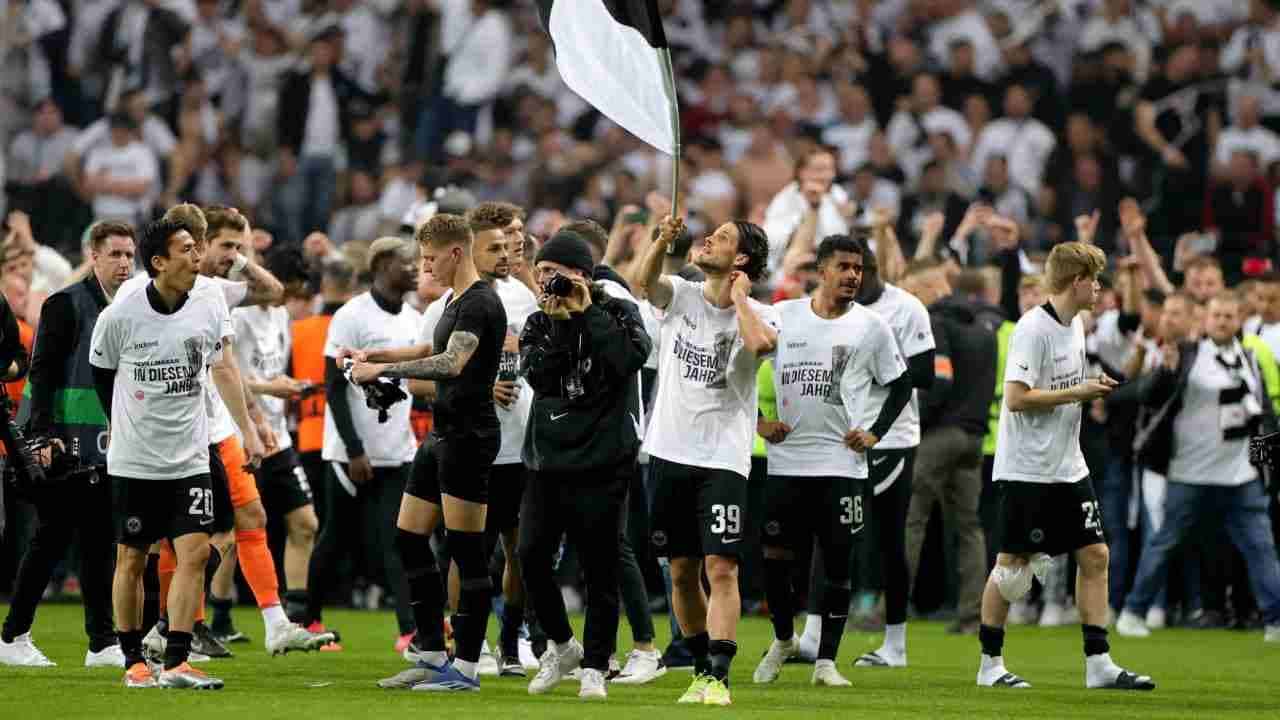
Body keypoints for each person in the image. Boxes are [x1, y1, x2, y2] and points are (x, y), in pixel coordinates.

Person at [978, 241, 1154, 691]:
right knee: (1013, 567)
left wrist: (1089, 387)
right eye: (1093, 279)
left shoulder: (1076, 324)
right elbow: (1017, 398)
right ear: (1076, 282)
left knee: (1095, 555)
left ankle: (1098, 665)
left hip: (1067, 465)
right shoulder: (1031, 330)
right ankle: (990, 665)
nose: (1098, 287)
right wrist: (1079, 392)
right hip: (1027, 469)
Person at [373, 207, 530, 683]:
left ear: (455, 253)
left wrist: (383, 372)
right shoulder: (452, 301)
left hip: (469, 436)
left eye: (429, 258)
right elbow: (426, 352)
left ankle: (464, 665)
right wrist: (372, 356)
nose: (424, 267)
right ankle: (428, 653)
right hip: (440, 434)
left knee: (467, 551)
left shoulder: (482, 303)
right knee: (408, 538)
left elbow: (452, 364)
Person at [752, 233, 911, 688]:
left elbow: (900, 384)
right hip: (787, 464)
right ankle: (783, 638)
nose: (852, 276)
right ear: (820, 271)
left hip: (842, 465)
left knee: (839, 565)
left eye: (858, 269)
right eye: (843, 267)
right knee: (776, 562)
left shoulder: (871, 327)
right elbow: (738, 367)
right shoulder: (783, 317)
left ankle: (826, 662)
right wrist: (760, 421)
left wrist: (876, 432)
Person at [89, 219, 243, 689]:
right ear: (159, 262)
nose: (197, 257)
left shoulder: (208, 305)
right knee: (132, 558)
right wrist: (119, 426)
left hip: (191, 454)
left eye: (198, 248)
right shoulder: (121, 313)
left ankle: (176, 660)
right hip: (136, 458)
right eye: (186, 250)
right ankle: (134, 660)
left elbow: (217, 365)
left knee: (195, 552)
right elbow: (101, 373)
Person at [636, 214, 779, 707]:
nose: (706, 241)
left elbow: (761, 345)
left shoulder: (761, 314)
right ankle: (698, 666)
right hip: (669, 451)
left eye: (719, 239)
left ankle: (719, 674)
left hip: (722, 459)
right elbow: (643, 281)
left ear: (740, 260)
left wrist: (739, 299)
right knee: (680, 571)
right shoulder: (681, 293)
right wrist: (660, 240)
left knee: (722, 568)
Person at [515, 229, 652, 700]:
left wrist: (586, 311)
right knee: (530, 555)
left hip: (604, 459)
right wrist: (560, 323)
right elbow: (542, 378)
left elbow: (628, 358)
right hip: (548, 459)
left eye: (553, 274)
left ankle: (595, 664)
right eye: (540, 274)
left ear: (580, 274)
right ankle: (562, 644)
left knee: (600, 567)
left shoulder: (616, 309)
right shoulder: (537, 323)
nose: (545, 283)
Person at [0, 222, 132, 668]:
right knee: (53, 538)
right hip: (62, 443)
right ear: (92, 256)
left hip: (103, 445)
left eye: (129, 255)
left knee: (97, 541)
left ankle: (101, 642)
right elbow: (43, 371)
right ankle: (15, 635)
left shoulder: (129, 307)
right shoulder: (66, 304)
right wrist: (43, 435)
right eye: (115, 254)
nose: (124, 263)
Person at [1117, 292, 1280, 644]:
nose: (1222, 321)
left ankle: (1276, 621)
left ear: (1238, 320)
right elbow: (1148, 395)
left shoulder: (1249, 359)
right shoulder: (1188, 355)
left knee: (1261, 546)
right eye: (1217, 315)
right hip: (1188, 472)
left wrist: (1269, 469)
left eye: (1229, 316)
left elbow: (1265, 416)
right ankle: (1133, 610)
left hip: (1240, 475)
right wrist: (1165, 371)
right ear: (1205, 319)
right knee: (1164, 543)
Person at [308, 236, 422, 646]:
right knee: (335, 537)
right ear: (380, 267)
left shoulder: (414, 318)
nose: (414, 268)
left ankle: (410, 630)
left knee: (400, 538)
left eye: (417, 261)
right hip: (349, 452)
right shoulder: (351, 316)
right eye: (405, 262)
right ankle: (310, 620)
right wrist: (354, 449)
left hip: (397, 446)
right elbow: (334, 388)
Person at [231, 247, 321, 645]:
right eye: (295, 289)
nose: (297, 298)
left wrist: (287, 389)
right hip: (239, 434)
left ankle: (296, 618)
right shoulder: (235, 315)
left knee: (305, 523)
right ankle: (215, 620)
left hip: (276, 436)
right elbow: (222, 379)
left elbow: (270, 371)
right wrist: (275, 387)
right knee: (230, 533)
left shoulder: (281, 316)